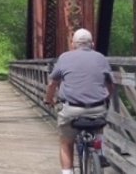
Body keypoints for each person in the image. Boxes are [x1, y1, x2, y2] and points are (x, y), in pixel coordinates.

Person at [44, 28, 113, 174]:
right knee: (98, 127)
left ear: (73, 44)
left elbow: (52, 83)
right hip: (97, 108)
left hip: (72, 110)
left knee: (66, 142)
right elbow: (109, 84)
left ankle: (68, 172)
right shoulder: (101, 58)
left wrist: (48, 99)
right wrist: (108, 99)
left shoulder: (64, 58)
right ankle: (100, 152)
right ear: (92, 44)